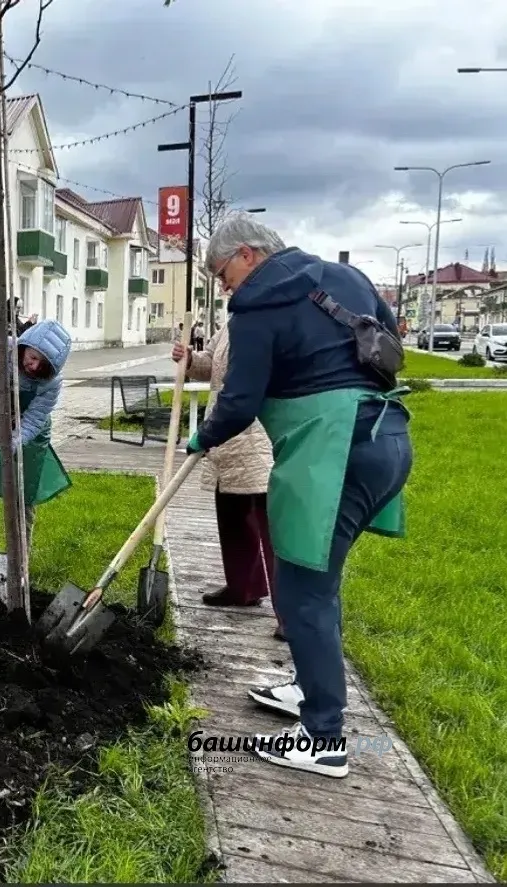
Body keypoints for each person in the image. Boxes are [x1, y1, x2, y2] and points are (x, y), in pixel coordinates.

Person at [187, 213, 413, 778]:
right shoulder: (349, 278)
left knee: (301, 590)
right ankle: (312, 690)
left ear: (247, 255)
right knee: (318, 580)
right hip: (386, 437)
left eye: (221, 273)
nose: (224, 287)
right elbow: (386, 343)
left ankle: (323, 737)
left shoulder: (256, 304)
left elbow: (239, 401)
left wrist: (203, 437)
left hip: (331, 451)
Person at [172, 324, 281, 635]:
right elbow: (212, 365)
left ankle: (290, 615)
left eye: (226, 278)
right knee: (232, 513)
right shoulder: (234, 323)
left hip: (258, 433)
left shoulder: (268, 322)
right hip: (226, 433)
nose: (225, 287)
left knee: (272, 526)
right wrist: (191, 359)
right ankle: (243, 588)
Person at [0, 320, 72, 559]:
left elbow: (30, 424)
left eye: (41, 363)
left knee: (23, 493)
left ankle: (19, 560)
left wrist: (1, 454)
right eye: (31, 356)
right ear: (23, 345)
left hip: (29, 436)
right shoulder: (1, 349)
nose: (33, 365)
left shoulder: (52, 382)